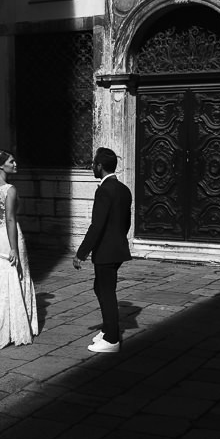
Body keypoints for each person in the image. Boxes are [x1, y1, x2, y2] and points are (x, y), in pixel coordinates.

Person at [73, 147, 132, 353]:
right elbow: (126, 223)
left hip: (107, 251)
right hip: (117, 249)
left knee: (106, 292)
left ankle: (113, 339)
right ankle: (107, 330)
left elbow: (96, 225)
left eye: (93, 164)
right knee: (101, 288)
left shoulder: (104, 190)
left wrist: (81, 253)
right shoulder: (124, 189)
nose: (92, 167)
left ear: (100, 166)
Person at [0, 149, 39, 351]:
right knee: (17, 274)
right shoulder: (10, 189)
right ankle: (14, 327)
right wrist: (14, 248)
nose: (15, 164)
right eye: (11, 161)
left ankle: (2, 325)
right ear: (1, 165)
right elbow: (10, 219)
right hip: (8, 235)